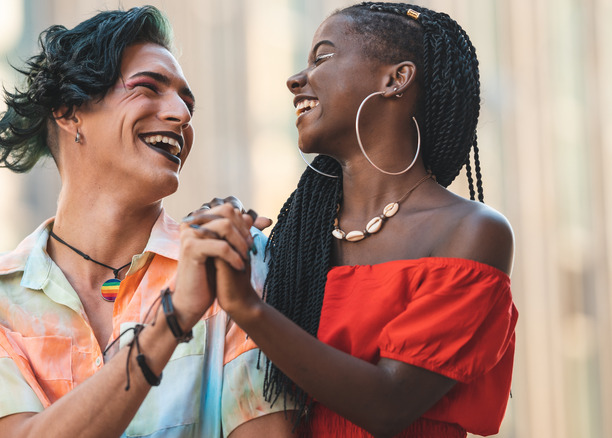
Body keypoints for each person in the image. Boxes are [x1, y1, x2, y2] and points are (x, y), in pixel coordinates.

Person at [0, 6, 293, 438]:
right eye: (148, 88)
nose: (180, 113)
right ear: (68, 111)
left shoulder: (232, 260)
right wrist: (173, 317)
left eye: (186, 101)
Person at [184, 2, 518, 437]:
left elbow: (390, 404)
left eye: (322, 58)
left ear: (395, 79)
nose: (295, 79)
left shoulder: (471, 232)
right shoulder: (293, 242)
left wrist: (247, 307)